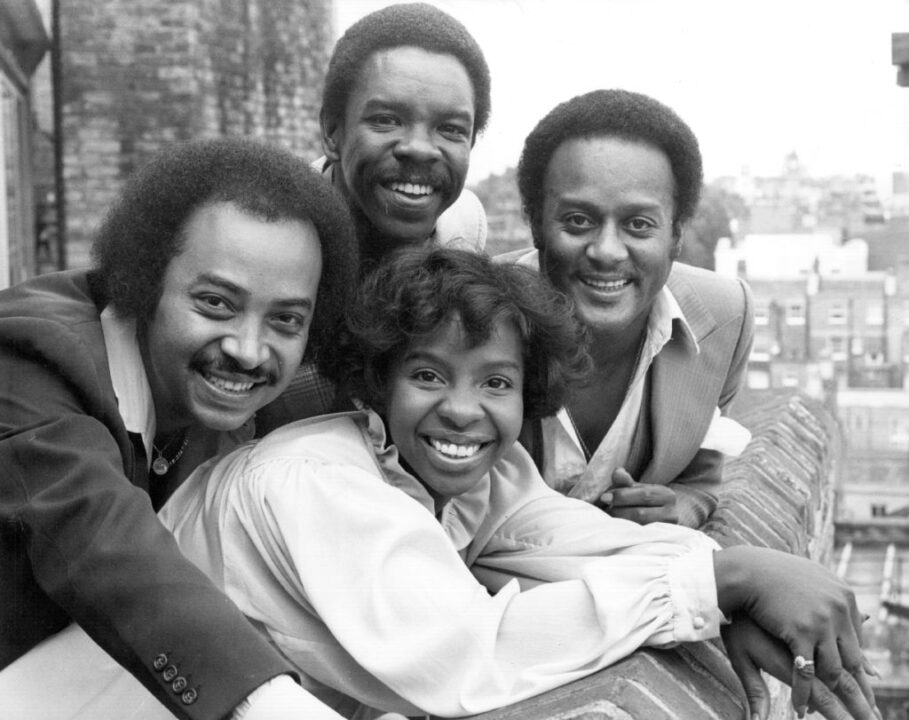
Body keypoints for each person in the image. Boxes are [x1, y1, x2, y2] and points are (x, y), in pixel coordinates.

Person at [24, 248, 876, 720]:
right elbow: (467, 654)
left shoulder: (481, 472)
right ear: (376, 385)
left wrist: (737, 584)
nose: (464, 411)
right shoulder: (317, 481)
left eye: (497, 384)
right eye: (429, 376)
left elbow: (578, 542)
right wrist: (720, 578)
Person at [0, 137, 361, 719]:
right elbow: (110, 552)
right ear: (142, 278)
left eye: (286, 320)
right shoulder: (28, 360)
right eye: (216, 303)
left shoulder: (217, 398)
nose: (248, 351)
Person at [506, 89, 755, 528]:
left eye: (639, 225)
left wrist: (680, 507)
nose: (607, 251)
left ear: (676, 235)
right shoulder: (472, 313)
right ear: (536, 223)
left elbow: (700, 477)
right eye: (578, 220)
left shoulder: (724, 319)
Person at [257, 1, 492, 431]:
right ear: (332, 132)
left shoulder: (463, 227)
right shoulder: (265, 236)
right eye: (386, 120)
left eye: (451, 129)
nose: (420, 148)